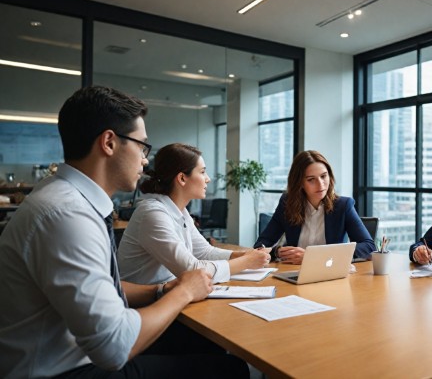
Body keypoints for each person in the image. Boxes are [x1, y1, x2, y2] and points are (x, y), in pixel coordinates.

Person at [0, 86, 248, 378]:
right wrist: (183, 292)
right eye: (142, 146)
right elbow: (115, 347)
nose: (145, 160)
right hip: (62, 369)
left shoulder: (67, 198)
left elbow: (101, 286)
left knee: (203, 342)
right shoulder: (67, 215)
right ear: (109, 142)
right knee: (230, 370)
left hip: (73, 350)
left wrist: (160, 290)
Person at [118, 143, 270, 285]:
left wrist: (245, 255)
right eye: (202, 172)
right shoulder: (152, 214)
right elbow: (192, 270)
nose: (208, 179)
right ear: (182, 178)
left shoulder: (180, 211)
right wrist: (247, 261)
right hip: (143, 304)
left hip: (167, 294)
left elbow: (204, 252)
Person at [254, 150, 375, 263]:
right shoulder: (287, 203)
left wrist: (312, 257)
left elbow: (368, 246)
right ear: (299, 182)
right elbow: (261, 245)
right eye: (311, 179)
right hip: (293, 272)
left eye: (323, 176)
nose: (321, 184)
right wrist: (278, 252)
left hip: (329, 273)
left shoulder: (343, 206)